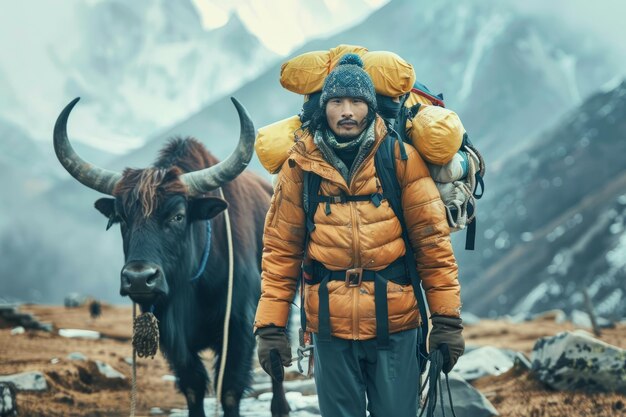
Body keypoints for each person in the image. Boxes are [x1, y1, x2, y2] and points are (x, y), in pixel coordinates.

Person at [254, 53, 464, 417]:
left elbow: (432, 245)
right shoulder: (299, 166)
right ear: (324, 108)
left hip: (396, 325)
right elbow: (280, 251)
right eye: (337, 101)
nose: (347, 111)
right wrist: (270, 327)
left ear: (370, 107)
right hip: (329, 329)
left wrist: (446, 322)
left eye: (356, 101)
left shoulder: (400, 159)